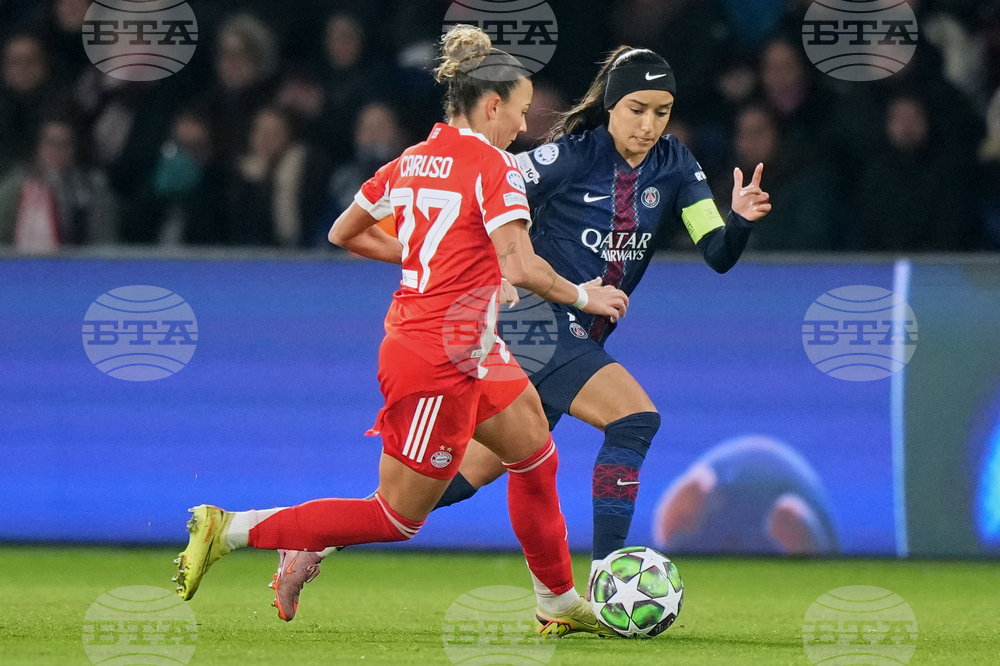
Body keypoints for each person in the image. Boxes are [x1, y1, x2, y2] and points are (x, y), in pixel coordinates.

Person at [274, 45, 771, 616]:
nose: (648, 125)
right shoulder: (568, 158)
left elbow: (717, 253)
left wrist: (738, 221)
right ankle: (608, 582)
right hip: (534, 319)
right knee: (634, 419)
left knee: (464, 475)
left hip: (579, 336)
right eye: (637, 109)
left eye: (662, 112)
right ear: (611, 105)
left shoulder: (677, 165)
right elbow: (481, 196)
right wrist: (480, 266)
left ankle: (314, 540)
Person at [173, 24, 629, 638]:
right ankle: (229, 528)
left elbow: (343, 232)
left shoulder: (410, 161)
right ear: (492, 105)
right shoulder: (494, 167)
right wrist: (584, 294)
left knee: (534, 454)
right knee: (394, 517)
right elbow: (521, 266)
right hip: (435, 359)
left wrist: (436, 262)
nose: (524, 126)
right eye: (521, 111)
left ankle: (557, 600)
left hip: (471, 348)